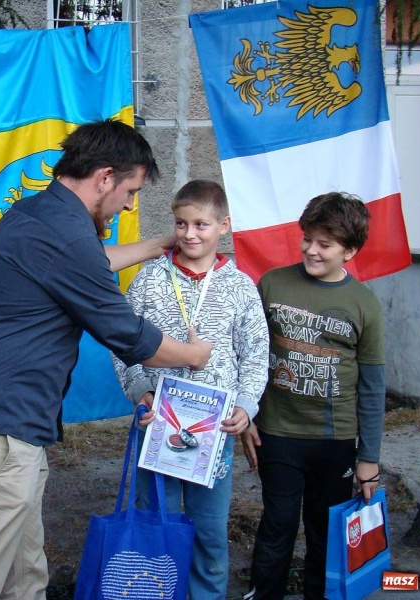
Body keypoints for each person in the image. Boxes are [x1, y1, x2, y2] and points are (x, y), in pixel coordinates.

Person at [0, 119, 214, 600]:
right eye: (130, 190)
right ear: (104, 177)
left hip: (10, 426)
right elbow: (128, 335)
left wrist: (155, 245)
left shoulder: (39, 215)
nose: (130, 203)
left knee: (24, 577)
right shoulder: (61, 234)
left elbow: (89, 262)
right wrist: (193, 354)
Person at [113, 180, 269, 599]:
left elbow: (255, 354)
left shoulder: (240, 288)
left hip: (214, 433)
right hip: (157, 424)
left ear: (224, 226)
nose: (190, 234)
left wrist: (246, 405)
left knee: (209, 531)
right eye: (181, 224)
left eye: (201, 224)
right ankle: (155, 591)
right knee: (155, 521)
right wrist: (140, 389)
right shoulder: (148, 280)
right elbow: (123, 344)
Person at [241, 192, 386, 600]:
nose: (311, 249)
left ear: (350, 250)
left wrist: (368, 459)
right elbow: (248, 355)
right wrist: (247, 416)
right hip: (277, 433)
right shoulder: (272, 283)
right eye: (308, 238)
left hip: (335, 442)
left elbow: (372, 388)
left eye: (325, 244)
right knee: (277, 524)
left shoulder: (364, 303)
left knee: (326, 533)